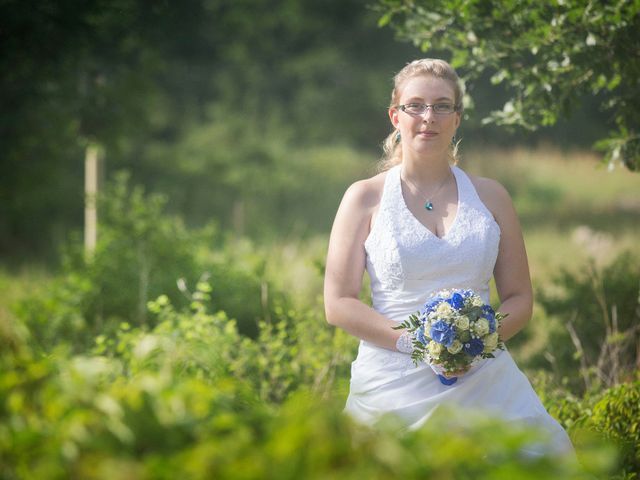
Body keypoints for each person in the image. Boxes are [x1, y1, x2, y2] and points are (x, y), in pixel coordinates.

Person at [323, 58, 572, 455]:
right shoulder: (364, 197)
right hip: (392, 383)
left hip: (487, 381)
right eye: (415, 105)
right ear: (395, 116)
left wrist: (477, 344)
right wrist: (416, 344)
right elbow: (338, 303)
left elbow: (520, 299)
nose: (428, 117)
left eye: (442, 106)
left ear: (457, 119)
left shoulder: (491, 196)